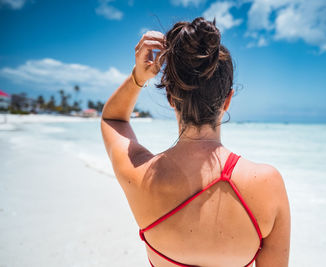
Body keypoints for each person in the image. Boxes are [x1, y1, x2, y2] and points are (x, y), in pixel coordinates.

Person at [101, 17, 290, 267]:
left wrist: (139, 76)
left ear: (170, 97)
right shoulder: (267, 185)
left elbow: (112, 119)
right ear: (227, 100)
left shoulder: (139, 175)